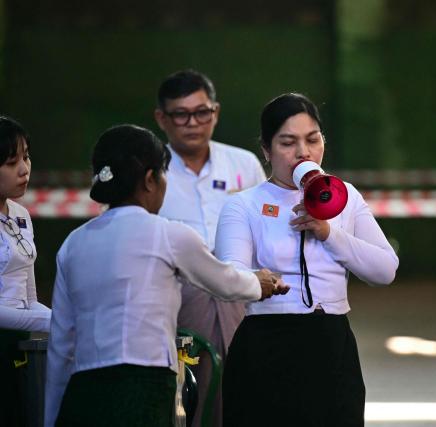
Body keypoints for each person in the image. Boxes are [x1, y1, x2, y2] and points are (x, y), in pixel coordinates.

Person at [44, 124, 287, 427]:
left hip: (83, 392)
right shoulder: (168, 235)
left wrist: (51, 416)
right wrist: (260, 283)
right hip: (145, 388)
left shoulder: (73, 244)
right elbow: (225, 282)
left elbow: (60, 344)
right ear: (150, 179)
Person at [216, 93, 399, 427]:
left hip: (330, 341)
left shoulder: (346, 196)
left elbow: (385, 270)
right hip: (266, 342)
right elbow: (231, 274)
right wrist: (259, 281)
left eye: (313, 140)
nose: (304, 152)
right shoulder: (244, 205)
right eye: (288, 142)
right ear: (266, 151)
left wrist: (330, 233)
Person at [154, 69, 266, 427]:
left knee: (246, 387)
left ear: (215, 112)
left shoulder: (243, 163)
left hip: (241, 294)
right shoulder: (151, 171)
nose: (193, 123)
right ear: (162, 118)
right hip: (178, 299)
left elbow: (263, 229)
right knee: (188, 396)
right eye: (180, 114)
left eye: (201, 112)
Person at [0, 116, 50, 427]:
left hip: (21, 346)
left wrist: (57, 318)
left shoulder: (20, 213)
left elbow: (29, 296)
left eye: (26, 156)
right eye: (10, 161)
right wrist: (52, 321)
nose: (24, 169)